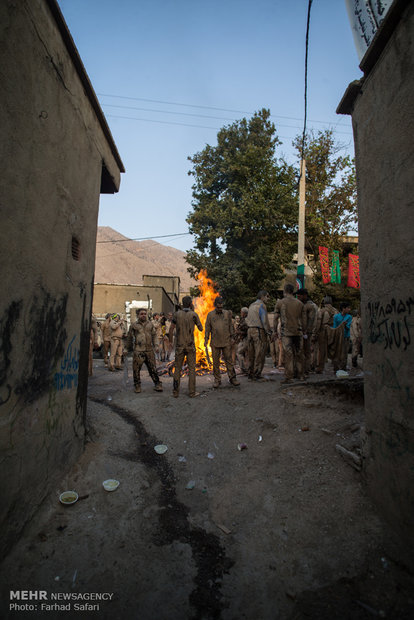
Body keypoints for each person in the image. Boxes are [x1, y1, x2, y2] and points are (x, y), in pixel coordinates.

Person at [169, 296, 203, 398]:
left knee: (177, 369)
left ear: (182, 304)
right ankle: (192, 392)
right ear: (190, 304)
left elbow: (171, 329)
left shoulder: (177, 314)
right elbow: (201, 328)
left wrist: (171, 341)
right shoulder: (194, 315)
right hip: (190, 346)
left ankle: (175, 392)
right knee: (192, 369)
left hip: (179, 345)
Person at [204, 297, 240, 389]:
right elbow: (207, 328)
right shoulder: (210, 315)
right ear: (215, 306)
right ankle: (217, 380)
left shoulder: (227, 314)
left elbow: (231, 326)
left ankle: (232, 378)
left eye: (221, 307)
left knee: (229, 361)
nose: (220, 309)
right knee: (216, 362)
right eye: (218, 307)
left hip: (226, 341)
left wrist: (232, 337)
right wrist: (206, 339)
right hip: (215, 342)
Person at [274, 283, 305, 384]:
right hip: (298, 331)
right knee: (299, 354)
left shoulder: (280, 303)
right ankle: (301, 375)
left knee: (288, 355)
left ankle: (289, 377)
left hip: (286, 333)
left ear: (285, 291)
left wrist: (274, 331)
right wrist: (304, 331)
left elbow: (275, 318)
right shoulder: (300, 303)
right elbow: (304, 319)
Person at [126, 308, 163, 393]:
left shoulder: (150, 325)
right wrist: (126, 348)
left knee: (153, 369)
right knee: (136, 370)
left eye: (145, 314)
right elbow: (129, 338)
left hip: (149, 351)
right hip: (138, 351)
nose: (143, 315)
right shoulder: (134, 325)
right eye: (141, 314)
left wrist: (156, 346)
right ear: (138, 315)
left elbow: (154, 336)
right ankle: (137, 386)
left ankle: (157, 384)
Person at [246, 290, 272, 381]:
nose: (268, 299)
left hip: (249, 331)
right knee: (259, 353)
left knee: (251, 354)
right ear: (262, 296)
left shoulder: (251, 305)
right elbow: (264, 321)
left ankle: (250, 373)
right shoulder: (262, 306)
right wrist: (269, 332)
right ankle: (257, 374)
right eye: (267, 296)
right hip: (258, 331)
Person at [312, 296, 338, 374]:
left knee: (322, 350)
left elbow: (318, 323)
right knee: (334, 350)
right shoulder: (336, 311)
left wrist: (315, 333)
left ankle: (320, 368)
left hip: (323, 331)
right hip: (334, 330)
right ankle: (336, 367)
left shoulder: (322, 311)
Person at [296, 288, 317, 375]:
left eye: (299, 296)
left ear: (305, 295)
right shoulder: (300, 304)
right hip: (300, 331)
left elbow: (311, 320)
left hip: (307, 333)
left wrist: (307, 332)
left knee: (306, 351)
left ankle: (306, 369)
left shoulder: (311, 306)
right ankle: (301, 369)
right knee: (300, 351)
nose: (298, 297)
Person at [333, 302, 353, 370]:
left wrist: (344, 325)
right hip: (338, 337)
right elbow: (334, 327)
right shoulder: (336, 317)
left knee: (344, 353)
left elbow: (348, 327)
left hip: (345, 337)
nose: (349, 309)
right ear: (343, 308)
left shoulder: (349, 317)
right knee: (337, 352)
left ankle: (343, 367)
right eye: (348, 308)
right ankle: (336, 367)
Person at [235, 307, 249, 374]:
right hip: (243, 339)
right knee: (244, 353)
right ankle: (246, 368)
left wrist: (239, 332)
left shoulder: (246, 320)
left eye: (241, 312)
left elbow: (247, 331)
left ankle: (244, 369)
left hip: (245, 339)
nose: (241, 313)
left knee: (239, 352)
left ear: (244, 313)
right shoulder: (244, 319)